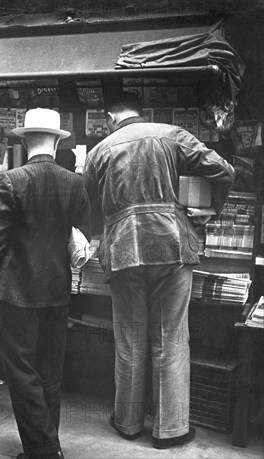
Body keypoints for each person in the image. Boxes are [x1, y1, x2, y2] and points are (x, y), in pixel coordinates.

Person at [82, 93, 235, 449]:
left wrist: (100, 232)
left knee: (130, 338)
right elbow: (224, 170)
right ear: (141, 111)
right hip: (172, 246)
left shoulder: (99, 151)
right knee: (171, 338)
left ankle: (128, 422)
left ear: (110, 117)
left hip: (122, 251)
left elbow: (85, 202)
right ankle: (171, 429)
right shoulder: (172, 135)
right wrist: (212, 208)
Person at [0, 108, 91, 459]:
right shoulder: (74, 182)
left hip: (16, 291)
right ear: (57, 141)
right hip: (57, 290)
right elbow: (80, 232)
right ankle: (46, 444)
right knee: (49, 373)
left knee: (21, 373)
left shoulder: (11, 180)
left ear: (25, 139)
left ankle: (44, 451)